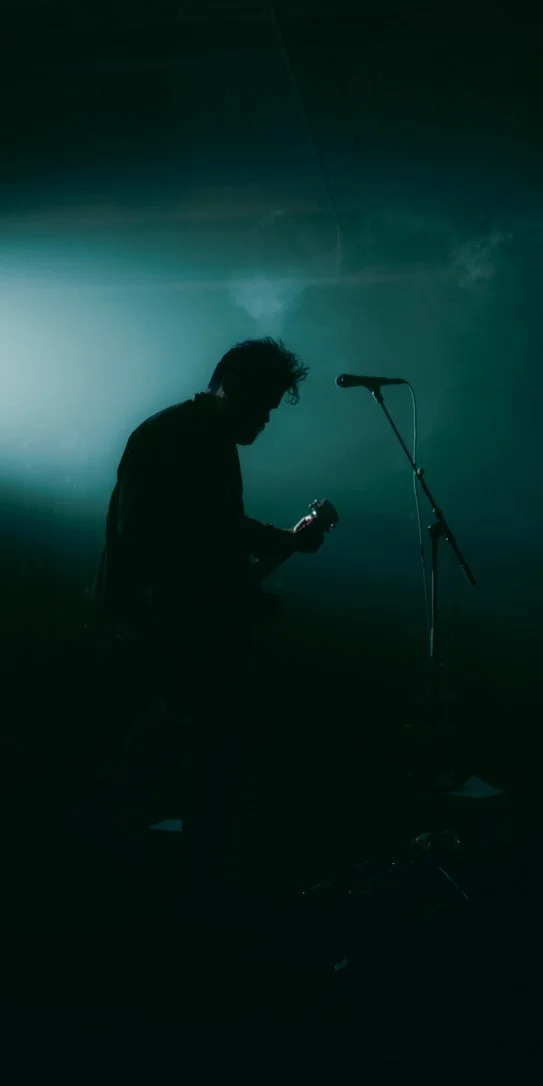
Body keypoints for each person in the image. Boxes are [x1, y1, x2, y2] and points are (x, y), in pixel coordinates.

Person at [93, 337, 327, 904]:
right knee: (189, 732)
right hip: (161, 619)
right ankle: (133, 854)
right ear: (234, 389)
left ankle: (161, 858)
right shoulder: (172, 437)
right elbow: (146, 539)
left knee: (194, 735)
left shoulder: (206, 437)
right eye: (264, 405)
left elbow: (215, 526)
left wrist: (280, 545)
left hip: (177, 618)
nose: (267, 420)